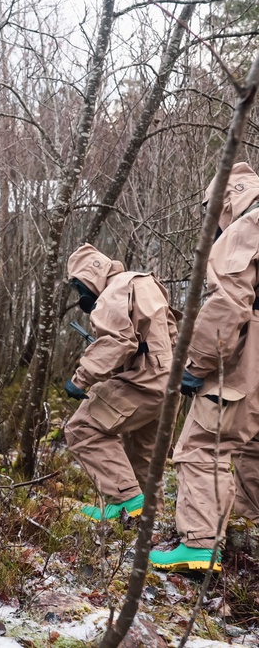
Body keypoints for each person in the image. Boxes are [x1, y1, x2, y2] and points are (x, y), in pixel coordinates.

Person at [151, 162, 259, 571]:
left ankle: (199, 543)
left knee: (202, 444)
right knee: (252, 447)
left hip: (248, 355)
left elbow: (230, 302)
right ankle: (245, 530)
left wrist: (196, 362)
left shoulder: (248, 224)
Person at [62, 244, 177, 520]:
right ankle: (148, 521)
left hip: (144, 379)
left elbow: (118, 340)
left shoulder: (114, 289)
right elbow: (169, 331)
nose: (81, 295)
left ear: (90, 275)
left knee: (81, 429)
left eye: (79, 286)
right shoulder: (145, 282)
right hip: (168, 382)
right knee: (142, 455)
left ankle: (124, 500)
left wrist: (81, 379)